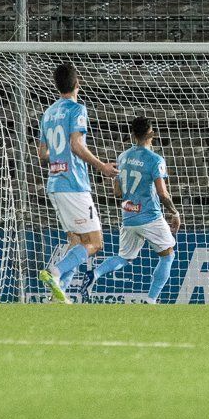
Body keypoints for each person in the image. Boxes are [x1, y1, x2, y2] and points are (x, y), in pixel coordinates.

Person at [37, 63, 118, 303]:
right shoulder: (77, 108)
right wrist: (102, 166)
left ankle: (58, 293)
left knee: (76, 241)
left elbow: (42, 153)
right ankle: (56, 271)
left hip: (54, 184)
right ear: (77, 83)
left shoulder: (48, 113)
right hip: (74, 184)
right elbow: (76, 145)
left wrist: (59, 158)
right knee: (95, 243)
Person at [80, 117, 180, 304]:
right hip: (150, 216)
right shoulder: (155, 160)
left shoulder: (122, 157)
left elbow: (117, 192)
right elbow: (163, 193)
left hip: (129, 217)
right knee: (168, 255)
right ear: (152, 134)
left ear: (133, 135)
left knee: (124, 258)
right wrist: (175, 213)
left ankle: (94, 274)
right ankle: (151, 300)